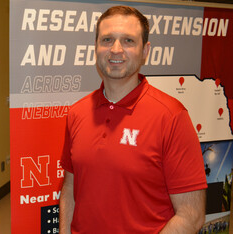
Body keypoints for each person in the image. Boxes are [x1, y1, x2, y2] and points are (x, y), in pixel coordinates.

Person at [59, 5, 207, 234]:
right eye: (107, 40)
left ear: (145, 51)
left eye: (128, 41)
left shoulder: (171, 116)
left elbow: (191, 215)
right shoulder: (76, 113)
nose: (116, 50)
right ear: (96, 47)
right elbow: (70, 189)